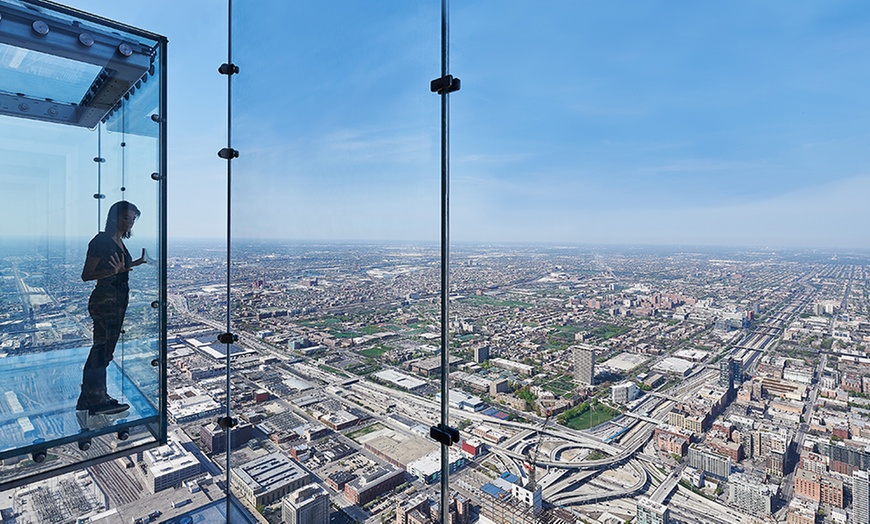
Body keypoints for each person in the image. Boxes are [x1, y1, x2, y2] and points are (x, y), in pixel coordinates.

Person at [77, 201, 146, 416]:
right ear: (115, 217)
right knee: (102, 350)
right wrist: (111, 272)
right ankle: (95, 398)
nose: (130, 223)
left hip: (116, 300)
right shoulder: (101, 240)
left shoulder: (117, 241)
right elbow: (87, 274)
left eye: (133, 219)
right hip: (105, 300)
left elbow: (118, 269)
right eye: (127, 218)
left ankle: (93, 396)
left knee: (105, 350)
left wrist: (135, 263)